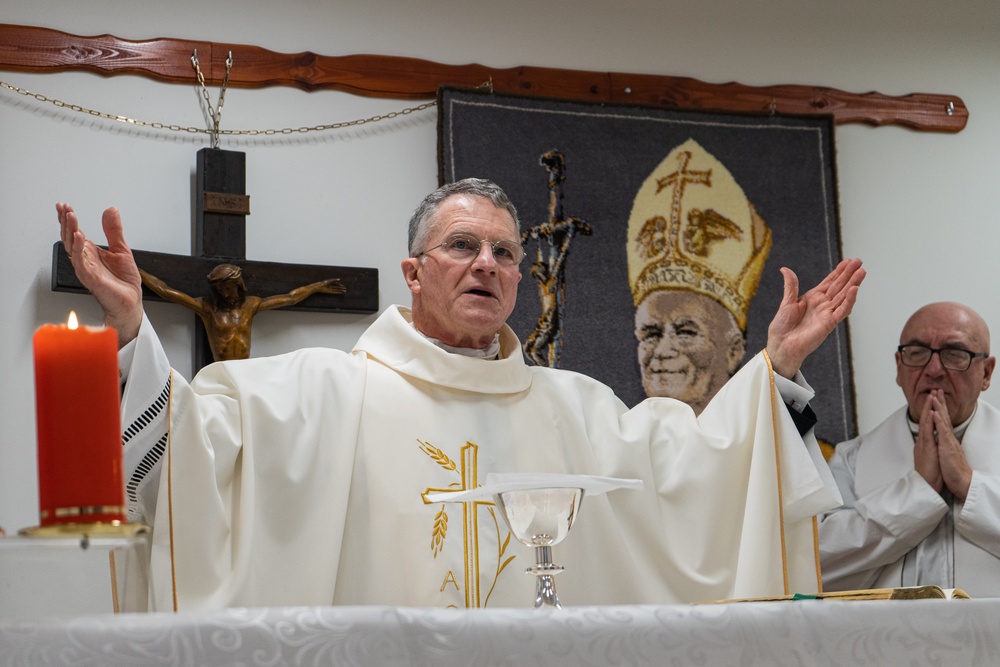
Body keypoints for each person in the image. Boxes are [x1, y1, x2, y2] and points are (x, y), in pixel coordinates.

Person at [56, 179, 864, 612]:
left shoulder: (576, 408)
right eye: (462, 245)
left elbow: (702, 473)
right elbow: (189, 453)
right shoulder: (319, 392)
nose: (486, 263)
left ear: (520, 279)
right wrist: (131, 327)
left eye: (505, 252)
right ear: (413, 272)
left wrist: (775, 371)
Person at [818, 302, 1000, 596]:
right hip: (883, 640)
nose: (934, 369)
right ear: (899, 368)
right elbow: (816, 567)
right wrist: (916, 492)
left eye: (955, 354)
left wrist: (969, 485)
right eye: (916, 354)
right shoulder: (852, 460)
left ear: (986, 373)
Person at [626, 138, 772, 414]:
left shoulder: (778, 448)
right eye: (650, 334)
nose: (662, 351)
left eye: (685, 331)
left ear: (734, 351)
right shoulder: (612, 449)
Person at [139, 264, 346, 361]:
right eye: (219, 289)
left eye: (228, 287)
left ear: (238, 285)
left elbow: (290, 297)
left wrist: (317, 287)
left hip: (246, 372)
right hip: (220, 373)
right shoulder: (208, 308)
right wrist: (135, 269)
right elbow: (165, 291)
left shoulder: (251, 305)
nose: (224, 293)